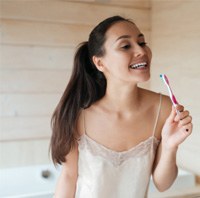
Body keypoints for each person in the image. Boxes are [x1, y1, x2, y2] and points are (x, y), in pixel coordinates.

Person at [50, 16, 193, 198]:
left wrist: (170, 145)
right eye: (126, 46)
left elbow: (163, 184)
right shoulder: (78, 116)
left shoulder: (163, 108)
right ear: (100, 63)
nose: (141, 50)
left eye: (142, 42)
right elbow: (68, 178)